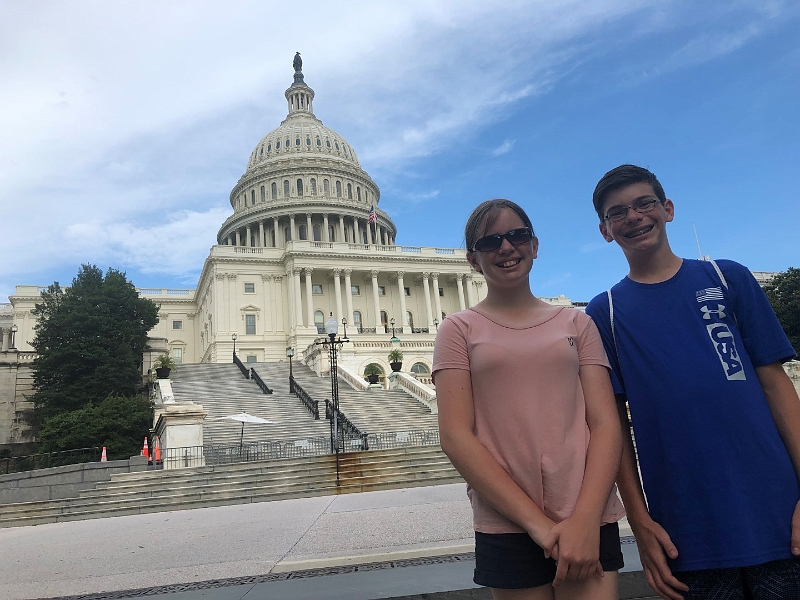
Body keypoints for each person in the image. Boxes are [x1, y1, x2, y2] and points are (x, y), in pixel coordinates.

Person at [585, 164, 800, 600]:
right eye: (617, 212)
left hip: (778, 510)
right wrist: (640, 522)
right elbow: (613, 426)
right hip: (686, 526)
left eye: (644, 203)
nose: (634, 217)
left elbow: (777, 386)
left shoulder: (727, 278)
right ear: (605, 231)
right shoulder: (604, 313)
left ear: (667, 209)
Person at [433, 198, 625, 600]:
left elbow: (606, 423)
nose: (506, 247)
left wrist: (585, 519)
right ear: (473, 260)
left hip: (586, 514)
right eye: (490, 241)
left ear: (534, 245)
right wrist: (538, 526)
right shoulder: (457, 329)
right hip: (507, 518)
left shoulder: (577, 322)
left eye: (517, 235)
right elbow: (455, 435)